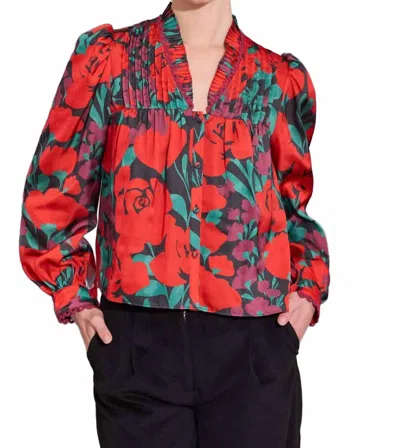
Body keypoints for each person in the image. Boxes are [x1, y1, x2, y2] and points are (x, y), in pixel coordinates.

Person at [18, 0, 330, 446]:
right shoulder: (110, 63)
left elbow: (292, 207)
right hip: (137, 349)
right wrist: (77, 301)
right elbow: (52, 196)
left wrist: (306, 293)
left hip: (255, 350)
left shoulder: (276, 80)